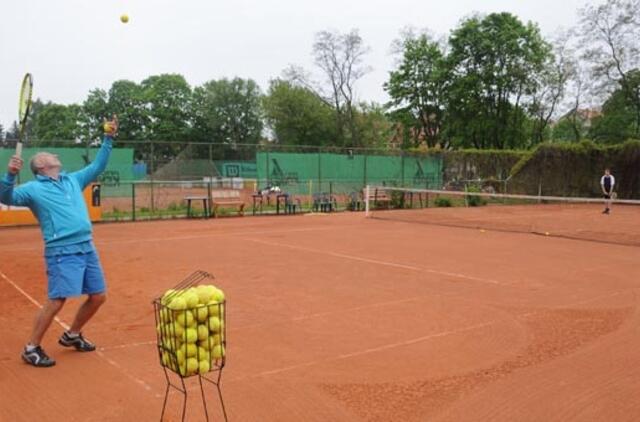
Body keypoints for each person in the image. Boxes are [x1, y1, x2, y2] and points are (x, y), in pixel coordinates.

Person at [0, 116, 118, 367]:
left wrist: (108, 138)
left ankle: (72, 334)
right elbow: (5, 196)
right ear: (41, 165)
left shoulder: (72, 179)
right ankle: (31, 348)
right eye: (49, 155)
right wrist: (10, 175)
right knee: (57, 300)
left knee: (98, 296)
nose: (55, 155)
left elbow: (98, 166)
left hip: (87, 246)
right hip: (61, 250)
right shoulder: (33, 189)